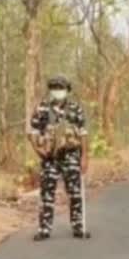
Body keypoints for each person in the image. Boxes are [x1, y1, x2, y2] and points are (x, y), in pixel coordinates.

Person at [28, 75, 90, 241]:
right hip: (49, 157)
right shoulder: (42, 109)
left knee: (75, 192)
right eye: (54, 88)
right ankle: (44, 229)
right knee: (47, 193)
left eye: (60, 88)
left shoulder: (75, 108)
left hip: (71, 155)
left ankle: (79, 226)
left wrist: (85, 157)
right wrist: (38, 150)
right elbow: (33, 132)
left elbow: (83, 133)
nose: (57, 91)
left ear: (67, 90)